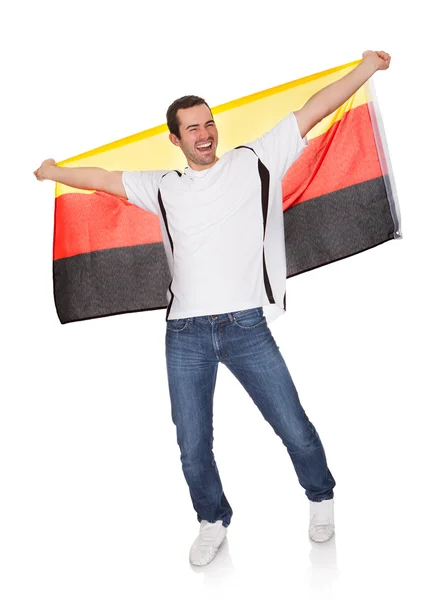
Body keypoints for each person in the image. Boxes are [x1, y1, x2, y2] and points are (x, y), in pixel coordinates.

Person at [34, 50, 391, 566]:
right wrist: (53, 171)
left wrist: (365, 69)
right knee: (192, 442)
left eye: (209, 123)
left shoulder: (255, 160)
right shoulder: (160, 186)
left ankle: (321, 499)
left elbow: (313, 109)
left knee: (292, 423)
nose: (205, 134)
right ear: (174, 140)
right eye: (192, 129)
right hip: (186, 335)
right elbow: (103, 179)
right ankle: (211, 520)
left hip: (247, 326)